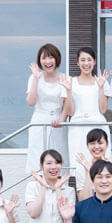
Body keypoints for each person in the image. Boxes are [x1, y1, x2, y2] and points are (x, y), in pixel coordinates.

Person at [63, 47, 109, 189]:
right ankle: (83, 198)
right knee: (79, 166)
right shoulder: (71, 82)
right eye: (83, 60)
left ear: (94, 62)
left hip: (98, 126)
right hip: (78, 129)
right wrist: (68, 91)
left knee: (100, 166)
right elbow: (70, 112)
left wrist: (101, 88)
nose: (86, 63)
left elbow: (103, 110)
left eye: (89, 60)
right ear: (77, 63)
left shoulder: (101, 81)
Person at [25, 44, 72, 174]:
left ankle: (60, 184)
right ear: (39, 61)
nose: (47, 61)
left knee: (59, 154)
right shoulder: (34, 77)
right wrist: (35, 79)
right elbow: (31, 102)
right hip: (39, 120)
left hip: (58, 122)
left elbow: (66, 104)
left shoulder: (65, 78)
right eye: (44, 58)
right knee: (38, 154)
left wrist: (61, 120)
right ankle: (38, 183)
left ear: (57, 59)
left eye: (51, 57)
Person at [74, 128, 112, 202]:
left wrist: (105, 166)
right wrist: (88, 171)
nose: (96, 147)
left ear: (107, 144)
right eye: (92, 143)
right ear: (87, 146)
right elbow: (83, 200)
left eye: (100, 143)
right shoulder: (81, 169)